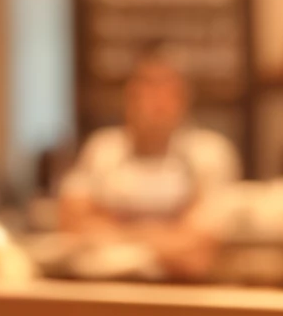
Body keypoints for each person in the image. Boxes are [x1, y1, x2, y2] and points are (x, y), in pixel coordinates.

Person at [58, 47, 240, 280]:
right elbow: (71, 225)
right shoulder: (102, 149)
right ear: (128, 95)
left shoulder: (209, 152)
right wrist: (167, 236)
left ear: (183, 99)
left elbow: (200, 245)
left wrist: (113, 233)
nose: (156, 101)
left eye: (167, 90)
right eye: (146, 88)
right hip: (105, 290)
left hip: (185, 291)